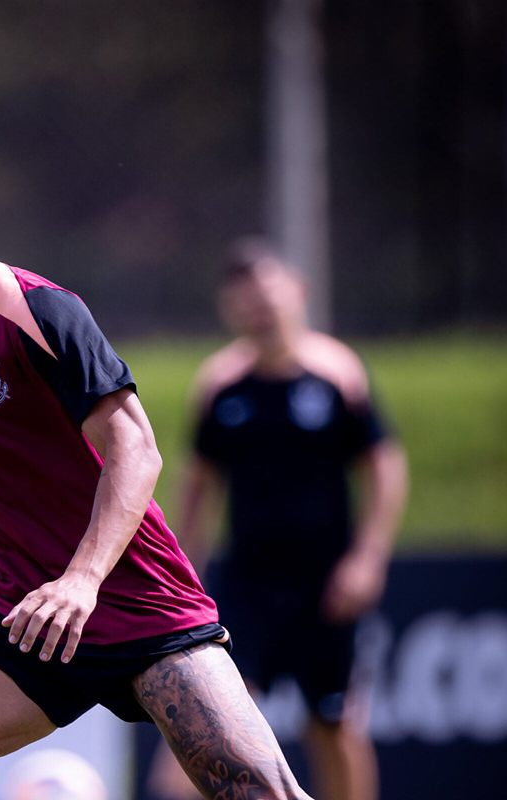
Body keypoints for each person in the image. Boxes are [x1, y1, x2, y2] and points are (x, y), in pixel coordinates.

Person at [0, 119, 314, 800]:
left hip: (141, 607)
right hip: (30, 622)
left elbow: (136, 448)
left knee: (262, 793)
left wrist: (81, 580)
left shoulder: (43, 312)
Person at [151, 238, 408, 800]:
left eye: (270, 294)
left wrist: (367, 559)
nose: (261, 308)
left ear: (299, 294)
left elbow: (384, 467)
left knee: (334, 723)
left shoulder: (337, 373)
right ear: (230, 309)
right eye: (247, 299)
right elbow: (198, 484)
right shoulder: (221, 386)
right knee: (212, 726)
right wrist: (182, 570)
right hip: (247, 584)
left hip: (326, 584)